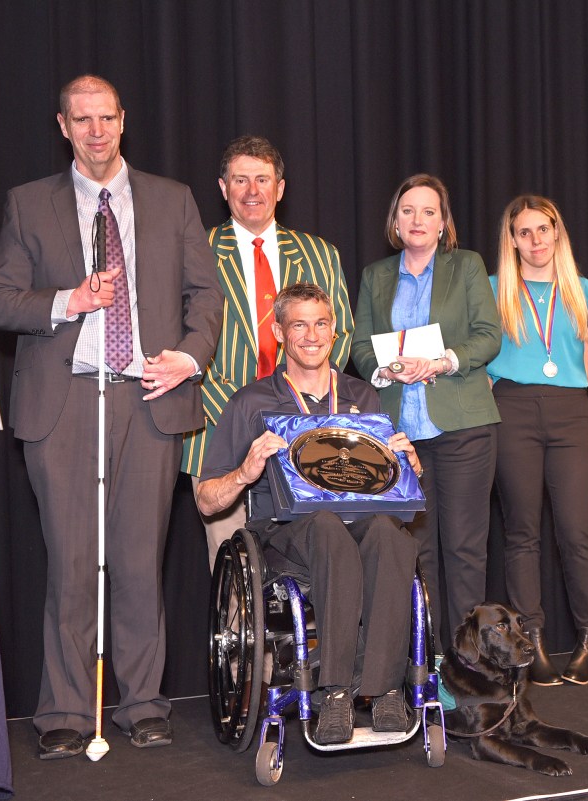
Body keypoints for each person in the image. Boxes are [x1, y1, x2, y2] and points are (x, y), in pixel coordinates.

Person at [0, 75, 222, 758]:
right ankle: (61, 708)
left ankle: (143, 703)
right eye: (81, 120)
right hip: (64, 403)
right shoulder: (30, 204)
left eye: (106, 118)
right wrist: (69, 300)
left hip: (147, 396)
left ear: (125, 120)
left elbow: (206, 297)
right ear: (63, 125)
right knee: (71, 560)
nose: (95, 131)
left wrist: (189, 356)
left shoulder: (172, 199)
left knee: (140, 560)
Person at [196, 283, 420, 744]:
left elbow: (391, 491)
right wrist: (245, 470)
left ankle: (383, 691)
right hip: (287, 535)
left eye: (321, 324)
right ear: (279, 331)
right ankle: (335, 692)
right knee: (326, 528)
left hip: (361, 524)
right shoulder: (251, 402)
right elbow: (206, 499)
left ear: (334, 331)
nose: (312, 335)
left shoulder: (364, 398)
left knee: (391, 535)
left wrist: (409, 467)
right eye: (299, 324)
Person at [182, 135, 353, 571]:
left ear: (280, 187)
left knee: (319, 561)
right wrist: (244, 410)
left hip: (306, 432)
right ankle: (245, 643)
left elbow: (342, 332)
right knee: (235, 569)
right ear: (223, 188)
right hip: (219, 427)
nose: (252, 191)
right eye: (241, 180)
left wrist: (293, 409)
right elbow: (180, 340)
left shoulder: (319, 253)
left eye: (263, 179)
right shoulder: (193, 252)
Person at [352, 174, 501, 646]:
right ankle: (428, 659)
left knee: (464, 549)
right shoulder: (376, 275)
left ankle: (469, 659)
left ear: (443, 222)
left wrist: (440, 362)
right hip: (400, 435)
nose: (418, 220)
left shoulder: (468, 266)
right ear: (395, 220)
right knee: (417, 552)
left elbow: (488, 335)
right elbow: (358, 347)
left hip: (464, 427)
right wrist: (385, 370)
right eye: (408, 210)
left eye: (428, 211)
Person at [487, 195, 588, 686]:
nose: (536, 241)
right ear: (512, 240)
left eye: (544, 229)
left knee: (576, 533)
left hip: (572, 411)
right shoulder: (493, 292)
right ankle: (530, 638)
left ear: (558, 233)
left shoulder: (586, 293)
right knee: (522, 531)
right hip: (511, 410)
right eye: (524, 232)